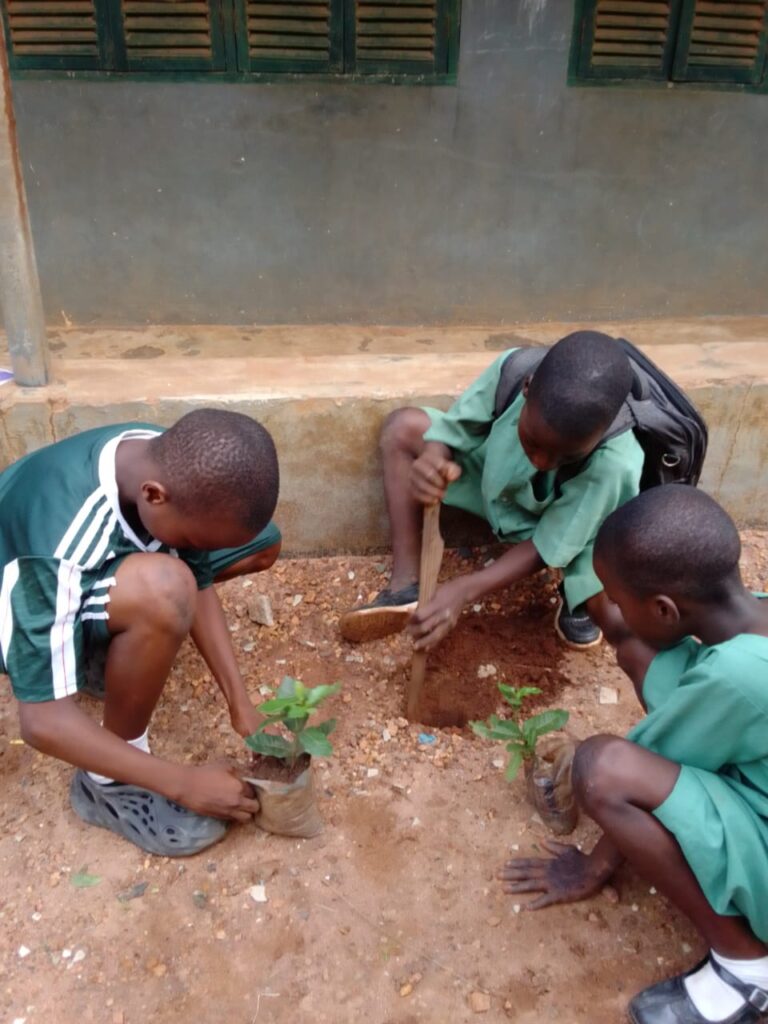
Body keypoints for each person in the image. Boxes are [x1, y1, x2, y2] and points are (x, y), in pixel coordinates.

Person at [500, 486, 768, 1024]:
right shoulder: (751, 618)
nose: (614, 611)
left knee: (600, 768)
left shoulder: (737, 677)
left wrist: (594, 866)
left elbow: (623, 776)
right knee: (639, 650)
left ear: (666, 609)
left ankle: (746, 967)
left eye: (620, 601)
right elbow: (644, 649)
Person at [0, 409, 282, 857]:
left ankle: (117, 643)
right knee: (165, 589)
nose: (200, 554)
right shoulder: (57, 551)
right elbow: (42, 722)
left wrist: (240, 702)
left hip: (78, 570)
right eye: (195, 541)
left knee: (262, 542)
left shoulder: (162, 456)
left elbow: (199, 578)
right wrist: (183, 783)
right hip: (18, 596)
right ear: (154, 496)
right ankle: (106, 785)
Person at [340, 331, 644, 651]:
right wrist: (434, 458)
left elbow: (550, 544)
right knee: (402, 428)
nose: (541, 462)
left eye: (566, 456)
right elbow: (455, 430)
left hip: (573, 529)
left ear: (597, 438)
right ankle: (404, 586)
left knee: (607, 595)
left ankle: (578, 597)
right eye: (534, 441)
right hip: (500, 491)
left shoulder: (614, 463)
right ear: (527, 389)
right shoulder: (511, 371)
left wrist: (465, 589)